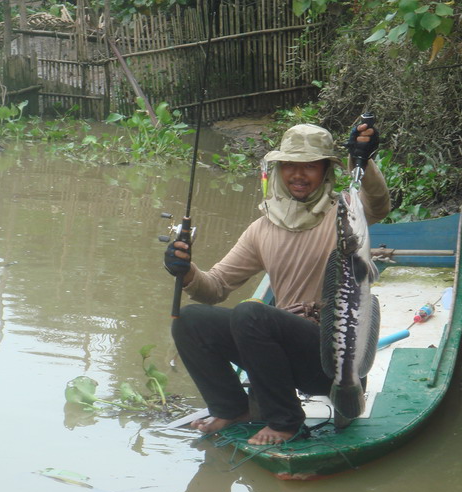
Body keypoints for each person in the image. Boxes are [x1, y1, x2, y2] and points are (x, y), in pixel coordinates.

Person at [164, 121, 391, 445]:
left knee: (250, 313)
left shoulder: (345, 214)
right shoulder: (262, 227)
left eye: (310, 166)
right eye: (289, 166)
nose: (298, 175)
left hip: (333, 360)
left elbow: (379, 204)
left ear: (326, 170)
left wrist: (364, 160)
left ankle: (284, 421)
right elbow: (214, 287)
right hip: (278, 354)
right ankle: (232, 408)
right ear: (279, 169)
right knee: (189, 321)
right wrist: (184, 270)